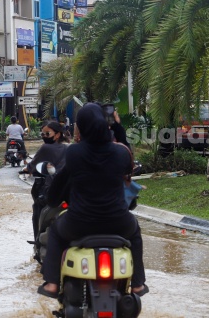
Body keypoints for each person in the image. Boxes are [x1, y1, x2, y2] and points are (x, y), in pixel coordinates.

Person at [37, 103, 148, 299]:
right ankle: (138, 285)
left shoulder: (74, 153)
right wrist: (116, 127)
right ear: (105, 124)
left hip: (79, 223)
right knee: (136, 233)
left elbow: (56, 192)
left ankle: (52, 284)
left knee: (54, 232)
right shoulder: (121, 153)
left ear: (81, 127)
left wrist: (52, 198)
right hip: (118, 223)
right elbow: (127, 155)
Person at [22, 121, 68, 251]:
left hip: (50, 189)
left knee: (38, 208)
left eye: (47, 133)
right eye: (42, 133)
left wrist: (27, 169)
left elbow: (31, 166)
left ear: (57, 134)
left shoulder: (45, 148)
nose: (44, 136)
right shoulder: (68, 148)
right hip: (68, 190)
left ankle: (38, 241)